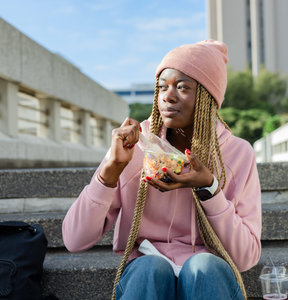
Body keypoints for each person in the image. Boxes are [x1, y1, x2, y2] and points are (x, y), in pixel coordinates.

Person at [62, 40, 262, 300]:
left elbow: (246, 257)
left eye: (182, 87)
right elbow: (74, 240)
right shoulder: (134, 146)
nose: (167, 96)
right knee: (150, 270)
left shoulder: (237, 154)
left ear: (207, 97)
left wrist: (209, 189)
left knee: (203, 267)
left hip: (210, 276)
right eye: (161, 87)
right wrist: (111, 170)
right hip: (147, 271)